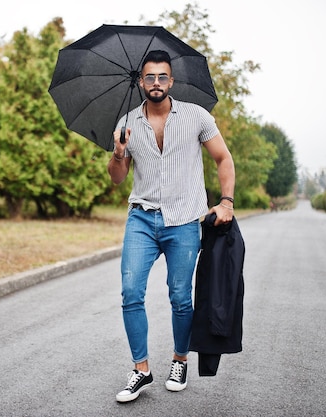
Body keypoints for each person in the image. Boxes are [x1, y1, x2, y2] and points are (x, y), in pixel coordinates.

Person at [108, 50, 235, 403]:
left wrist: (226, 201)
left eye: (163, 77)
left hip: (182, 222)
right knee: (131, 292)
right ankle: (141, 370)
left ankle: (180, 360)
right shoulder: (127, 122)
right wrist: (119, 152)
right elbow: (117, 178)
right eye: (150, 78)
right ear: (141, 82)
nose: (157, 83)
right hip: (142, 218)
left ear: (171, 81)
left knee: (180, 297)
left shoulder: (196, 117)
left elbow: (223, 158)